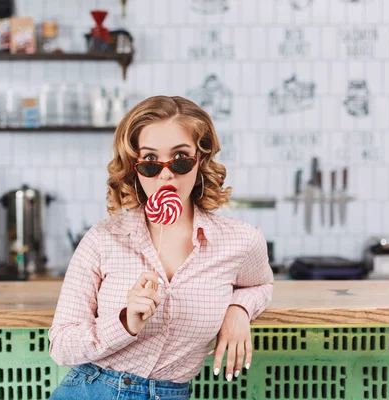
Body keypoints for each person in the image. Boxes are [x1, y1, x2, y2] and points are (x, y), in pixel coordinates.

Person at [49, 96, 273, 400]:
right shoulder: (103, 238)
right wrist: (125, 322)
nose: (166, 174)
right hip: (91, 389)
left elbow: (260, 284)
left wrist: (239, 309)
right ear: (135, 167)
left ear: (200, 159)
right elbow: (61, 345)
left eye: (180, 159)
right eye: (151, 163)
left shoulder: (240, 241)